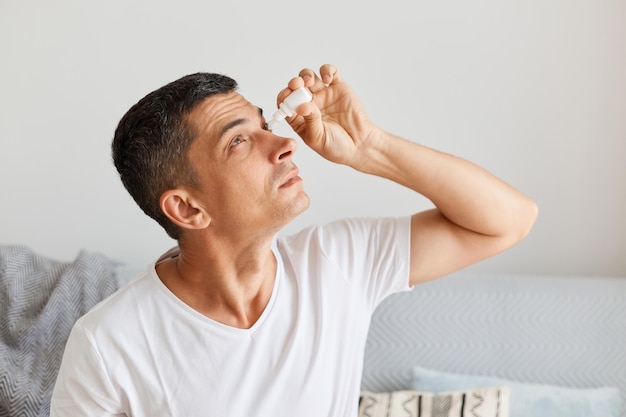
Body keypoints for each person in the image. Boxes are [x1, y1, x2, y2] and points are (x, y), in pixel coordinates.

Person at [50, 64, 537, 417]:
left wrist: (371, 148)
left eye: (264, 125)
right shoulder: (108, 345)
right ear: (187, 209)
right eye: (239, 141)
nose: (284, 144)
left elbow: (509, 220)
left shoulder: (337, 262)